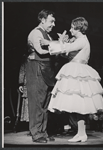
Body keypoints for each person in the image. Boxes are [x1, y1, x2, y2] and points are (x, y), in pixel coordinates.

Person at [46, 17, 103, 142]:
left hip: (77, 71)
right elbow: (67, 53)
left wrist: (59, 42)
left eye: (72, 27)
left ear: (77, 28)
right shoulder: (80, 40)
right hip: (76, 69)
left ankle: (81, 133)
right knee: (79, 105)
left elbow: (66, 49)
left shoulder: (81, 40)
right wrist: (64, 46)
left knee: (79, 104)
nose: (70, 30)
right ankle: (81, 133)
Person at [26, 9, 56, 143]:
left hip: (46, 70)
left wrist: (57, 43)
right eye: (51, 21)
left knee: (45, 103)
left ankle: (43, 132)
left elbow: (50, 48)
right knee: (37, 102)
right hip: (37, 68)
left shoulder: (47, 36)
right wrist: (57, 46)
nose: (53, 24)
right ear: (42, 20)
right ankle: (36, 133)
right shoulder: (35, 33)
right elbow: (40, 51)